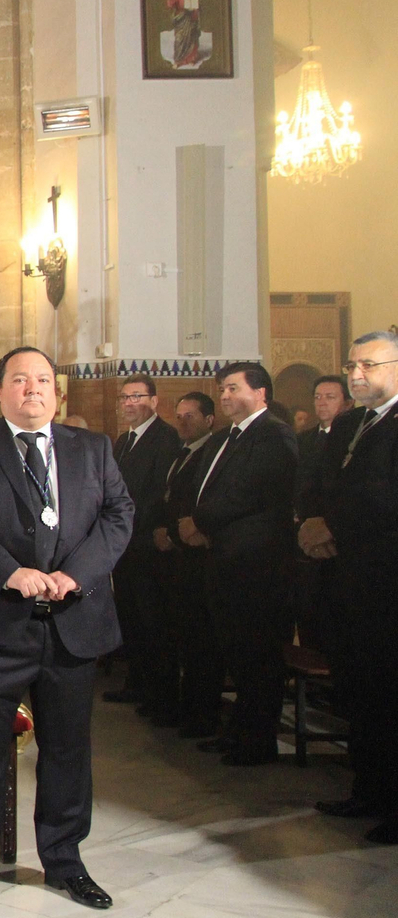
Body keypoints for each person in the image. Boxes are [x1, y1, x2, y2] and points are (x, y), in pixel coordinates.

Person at [0, 347, 132, 910]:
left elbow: (120, 516)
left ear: (56, 391)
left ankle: (65, 860)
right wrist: (10, 572)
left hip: (73, 622)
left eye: (43, 379)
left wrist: (77, 574)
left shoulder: (92, 448)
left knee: (68, 749)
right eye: (20, 380)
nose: (33, 389)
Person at [299, 331, 398, 841]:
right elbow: (318, 480)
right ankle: (369, 788)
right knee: (358, 691)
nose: (357, 374)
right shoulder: (352, 422)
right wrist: (310, 521)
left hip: (384, 583)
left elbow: (385, 499)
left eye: (370, 365)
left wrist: (331, 527)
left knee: (388, 693)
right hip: (342, 580)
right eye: (352, 365)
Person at [180, 362, 296, 766]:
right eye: (222, 389)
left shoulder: (272, 434)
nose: (225, 396)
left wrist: (200, 521)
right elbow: (209, 485)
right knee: (237, 653)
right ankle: (239, 732)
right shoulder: (230, 435)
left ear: (261, 393)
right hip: (226, 556)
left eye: (233, 388)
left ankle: (257, 741)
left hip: (255, 564)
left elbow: (249, 491)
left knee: (256, 655)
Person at [102, 375, 182, 719]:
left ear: (154, 401)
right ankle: (136, 681)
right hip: (123, 544)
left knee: (153, 619)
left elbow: (158, 491)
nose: (130, 403)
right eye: (125, 397)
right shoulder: (123, 441)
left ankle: (160, 691)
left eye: (137, 396)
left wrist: (129, 521)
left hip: (146, 541)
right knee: (131, 615)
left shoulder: (165, 438)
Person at [149, 392, 222, 738]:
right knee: (178, 635)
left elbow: (197, 501)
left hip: (196, 557)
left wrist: (176, 534)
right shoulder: (181, 454)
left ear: (209, 420)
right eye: (178, 415)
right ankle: (179, 705)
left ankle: (201, 713)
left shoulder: (210, 453)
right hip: (174, 556)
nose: (182, 421)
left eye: (190, 416)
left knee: (200, 642)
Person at [292, 374, 352, 650]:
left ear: (347, 402)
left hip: (335, 542)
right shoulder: (303, 440)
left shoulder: (351, 439)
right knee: (306, 616)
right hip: (301, 540)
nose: (322, 403)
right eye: (318, 397)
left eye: (330, 397)